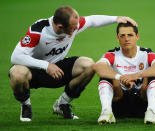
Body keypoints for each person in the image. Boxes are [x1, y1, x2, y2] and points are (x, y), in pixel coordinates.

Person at [9, 5, 137, 122]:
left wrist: (116, 18)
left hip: (58, 68)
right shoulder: (38, 31)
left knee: (88, 65)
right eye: (73, 27)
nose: (78, 28)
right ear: (60, 27)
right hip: (34, 71)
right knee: (17, 73)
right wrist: (46, 65)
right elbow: (16, 56)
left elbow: (92, 20)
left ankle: (62, 104)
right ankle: (26, 105)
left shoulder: (73, 24)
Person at [92, 22, 155, 124]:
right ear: (117, 38)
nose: (126, 39)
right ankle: (106, 112)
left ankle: (151, 112)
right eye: (122, 36)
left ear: (137, 37)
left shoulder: (146, 53)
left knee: (154, 76)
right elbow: (97, 67)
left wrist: (135, 75)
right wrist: (119, 77)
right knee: (104, 77)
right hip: (120, 103)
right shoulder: (112, 54)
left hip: (143, 101)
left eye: (130, 35)